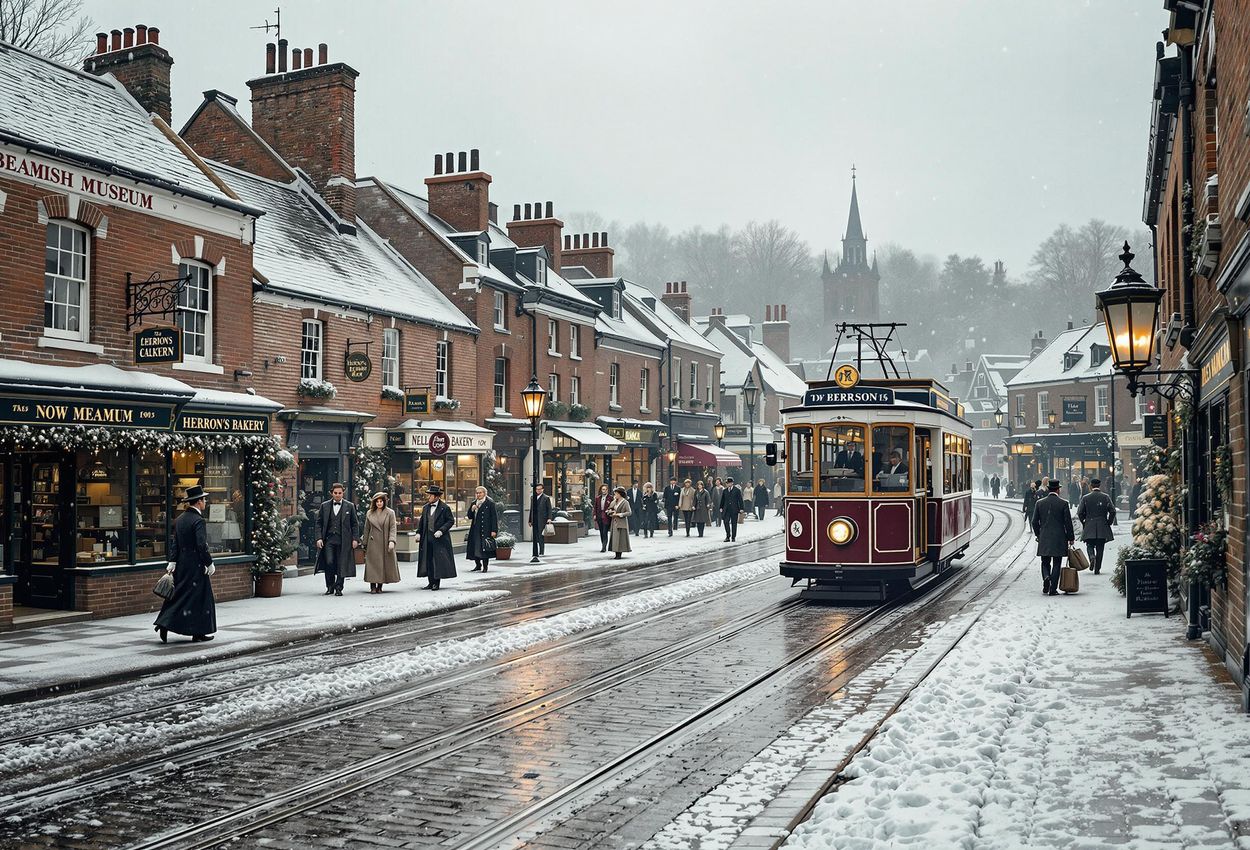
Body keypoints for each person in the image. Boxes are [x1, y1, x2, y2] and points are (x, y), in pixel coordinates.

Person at [154, 485, 216, 643]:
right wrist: (209, 563)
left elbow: (176, 542)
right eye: (204, 500)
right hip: (195, 565)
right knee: (201, 598)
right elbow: (201, 545)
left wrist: (173, 560)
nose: (205, 502)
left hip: (182, 564)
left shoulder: (180, 519)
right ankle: (198, 632)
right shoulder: (198, 520)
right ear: (198, 502)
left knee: (179, 595)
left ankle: (165, 624)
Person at [315, 482, 360, 597]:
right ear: (332, 493)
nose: (338, 495)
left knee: (341, 564)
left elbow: (355, 524)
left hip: (343, 540)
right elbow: (319, 523)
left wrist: (355, 539)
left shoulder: (349, 506)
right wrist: (319, 538)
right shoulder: (324, 506)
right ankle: (330, 586)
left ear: (343, 493)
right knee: (329, 562)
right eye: (335, 493)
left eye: (340, 493)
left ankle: (339, 587)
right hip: (329, 540)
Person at [1032, 479, 1075, 595]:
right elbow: (1068, 523)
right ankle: (1053, 589)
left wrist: (1038, 534)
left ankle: (1046, 577)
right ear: (1058, 489)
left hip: (1044, 537)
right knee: (1057, 562)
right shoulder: (1064, 503)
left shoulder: (1039, 503)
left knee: (1045, 562)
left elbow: (1034, 522)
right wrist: (1071, 537)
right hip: (1059, 538)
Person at [417, 485, 456, 590]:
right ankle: (430, 582)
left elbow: (451, 521)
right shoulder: (425, 508)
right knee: (428, 560)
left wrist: (441, 530)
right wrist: (418, 533)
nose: (428, 497)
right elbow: (422, 522)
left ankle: (436, 583)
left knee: (437, 561)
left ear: (436, 497)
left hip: (439, 539)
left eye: (430, 495)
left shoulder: (445, 508)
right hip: (427, 538)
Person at [1077, 478, 1115, 575]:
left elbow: (1080, 512)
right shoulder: (1105, 497)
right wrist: (1109, 522)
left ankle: (1091, 557)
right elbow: (1112, 511)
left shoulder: (1085, 498)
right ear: (1100, 485)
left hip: (1089, 524)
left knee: (1089, 544)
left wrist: (1084, 522)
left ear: (1091, 486)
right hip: (1102, 524)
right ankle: (1097, 568)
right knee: (1100, 547)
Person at [363, 492, 400, 592]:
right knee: (372, 564)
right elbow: (366, 529)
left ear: (384, 502)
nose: (379, 503)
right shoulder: (369, 513)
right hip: (373, 542)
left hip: (384, 542)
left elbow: (393, 528)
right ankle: (372, 585)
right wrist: (364, 543)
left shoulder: (390, 513)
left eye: (381, 501)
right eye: (377, 502)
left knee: (382, 564)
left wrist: (392, 540)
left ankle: (380, 585)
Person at [466, 486, 498, 573]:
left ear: (484, 493)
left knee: (484, 548)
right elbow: (469, 516)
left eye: (480, 493)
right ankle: (477, 565)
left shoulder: (490, 503)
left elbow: (494, 517)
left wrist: (494, 530)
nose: (478, 495)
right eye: (477, 493)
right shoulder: (474, 502)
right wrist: (472, 510)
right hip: (475, 528)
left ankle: (485, 566)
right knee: (475, 546)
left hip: (486, 528)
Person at [528, 483, 554, 556]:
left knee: (540, 536)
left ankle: (541, 551)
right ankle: (535, 551)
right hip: (534, 519)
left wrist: (549, 518)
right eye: (537, 489)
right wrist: (530, 520)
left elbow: (549, 509)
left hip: (542, 519)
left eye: (539, 489)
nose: (538, 491)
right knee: (535, 536)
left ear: (542, 489)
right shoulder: (533, 497)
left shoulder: (546, 498)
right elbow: (531, 509)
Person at [608, 486, 632, 559]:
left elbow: (629, 512)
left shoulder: (625, 502)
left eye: (616, 493)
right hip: (614, 522)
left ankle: (619, 554)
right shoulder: (614, 501)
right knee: (615, 538)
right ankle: (616, 552)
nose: (615, 495)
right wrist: (610, 512)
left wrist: (620, 514)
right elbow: (609, 509)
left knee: (620, 539)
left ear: (620, 494)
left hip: (621, 522)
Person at [721, 477, 743, 542]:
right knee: (726, 521)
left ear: (732, 483)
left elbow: (740, 500)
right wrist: (721, 507)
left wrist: (741, 508)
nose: (728, 484)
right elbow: (723, 500)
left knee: (734, 523)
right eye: (727, 483)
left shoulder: (737, 490)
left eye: (729, 483)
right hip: (727, 509)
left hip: (734, 509)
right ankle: (728, 535)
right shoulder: (725, 491)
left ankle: (733, 537)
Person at [592, 484, 613, 552]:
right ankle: (603, 544)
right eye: (603, 489)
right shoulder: (598, 498)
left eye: (605, 489)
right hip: (599, 516)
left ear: (607, 490)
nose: (604, 491)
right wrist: (594, 514)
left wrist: (610, 512)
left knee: (605, 532)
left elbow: (612, 507)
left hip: (607, 517)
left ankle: (604, 546)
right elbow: (595, 507)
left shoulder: (610, 498)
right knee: (601, 532)